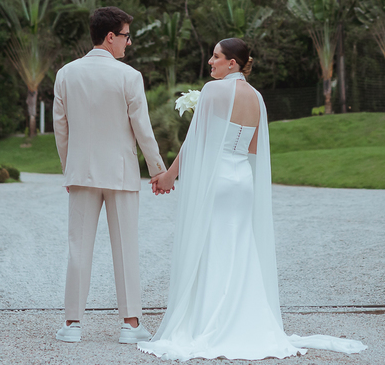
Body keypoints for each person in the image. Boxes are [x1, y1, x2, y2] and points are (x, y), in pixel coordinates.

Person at [140, 38, 366, 361]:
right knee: (240, 247)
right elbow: (254, 147)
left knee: (212, 246)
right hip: (242, 180)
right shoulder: (257, 97)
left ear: (232, 63)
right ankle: (246, 319)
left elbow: (194, 141)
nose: (210, 62)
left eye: (216, 57)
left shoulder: (213, 91)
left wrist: (169, 175)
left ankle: (209, 319)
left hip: (218, 179)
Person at [52, 6, 166, 345]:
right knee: (126, 248)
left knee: (78, 248)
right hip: (121, 174)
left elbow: (61, 129)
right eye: (126, 36)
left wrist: (69, 169)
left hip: (81, 174)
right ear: (110, 36)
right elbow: (142, 129)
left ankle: (72, 324)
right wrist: (159, 171)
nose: (129, 43)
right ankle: (130, 326)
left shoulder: (66, 74)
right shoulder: (129, 76)